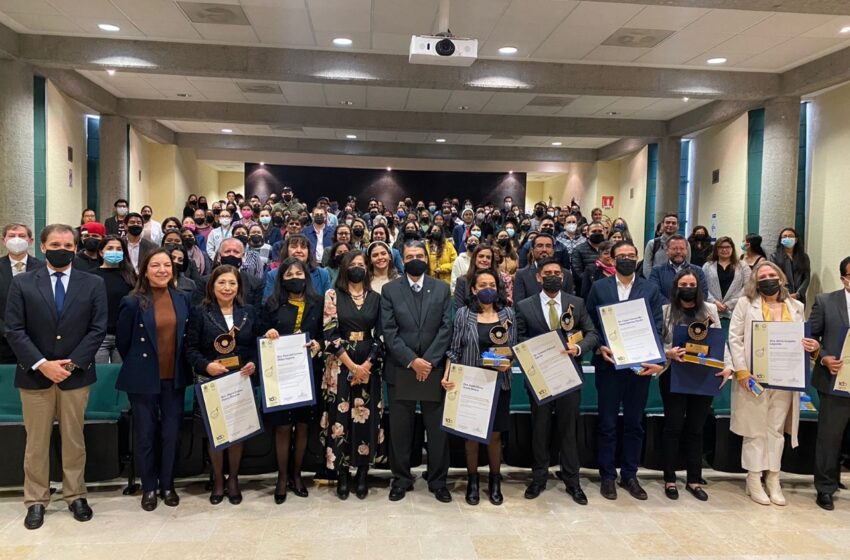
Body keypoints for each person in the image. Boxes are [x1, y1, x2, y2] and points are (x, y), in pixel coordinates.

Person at [5, 224, 107, 530]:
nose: (61, 248)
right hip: (35, 376)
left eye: (67, 244)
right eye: (55, 244)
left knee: (74, 440)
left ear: (75, 247)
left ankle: (75, 495)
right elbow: (14, 329)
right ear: (43, 247)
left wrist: (73, 363)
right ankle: (36, 500)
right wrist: (41, 363)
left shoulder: (92, 283)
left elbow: (97, 328)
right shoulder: (22, 283)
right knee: (36, 442)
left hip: (75, 376)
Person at [728, 261, 818, 506]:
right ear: (756, 281)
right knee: (754, 429)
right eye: (762, 275)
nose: (768, 278)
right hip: (754, 378)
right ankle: (754, 478)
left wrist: (812, 347)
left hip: (785, 378)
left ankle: (773, 477)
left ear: (781, 279)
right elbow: (734, 338)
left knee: (776, 430)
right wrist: (742, 371)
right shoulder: (746, 305)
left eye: (772, 275)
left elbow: (804, 338)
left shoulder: (796, 306)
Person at [585, 240, 665, 501]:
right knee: (607, 423)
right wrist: (598, 349)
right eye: (622, 255)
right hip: (609, 366)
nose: (627, 259)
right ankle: (607, 475)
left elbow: (656, 325)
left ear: (637, 258)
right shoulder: (599, 287)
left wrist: (657, 360)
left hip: (639, 368)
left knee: (634, 424)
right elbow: (590, 325)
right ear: (612, 258)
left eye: (631, 255)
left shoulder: (650, 289)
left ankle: (630, 474)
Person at [515, 258, 599, 504]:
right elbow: (518, 337)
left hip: (568, 374)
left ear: (563, 278)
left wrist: (580, 348)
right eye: (547, 272)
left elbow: (592, 333)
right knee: (540, 428)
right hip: (539, 376)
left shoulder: (577, 303)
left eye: (557, 273)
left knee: (568, 429)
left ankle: (572, 480)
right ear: (538, 277)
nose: (553, 276)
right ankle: (538, 478)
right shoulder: (524, 305)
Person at [115, 249, 192, 511]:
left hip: (175, 376)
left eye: (167, 265)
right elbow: (123, 343)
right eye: (155, 265)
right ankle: (148, 486)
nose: (162, 270)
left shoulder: (182, 299)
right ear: (145, 270)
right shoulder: (132, 301)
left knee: (171, 434)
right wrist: (141, 364)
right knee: (146, 434)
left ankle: (167, 484)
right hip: (143, 378)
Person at [381, 240, 453, 502]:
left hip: (433, 370)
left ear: (427, 258)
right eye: (410, 255)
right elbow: (388, 331)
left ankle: (437, 480)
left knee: (436, 430)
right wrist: (413, 361)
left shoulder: (442, 289)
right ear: (403, 259)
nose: (415, 259)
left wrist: (429, 361)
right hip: (401, 368)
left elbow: (447, 328)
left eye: (419, 255)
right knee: (400, 430)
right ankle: (401, 478)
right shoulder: (390, 290)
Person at [185, 265, 260, 504]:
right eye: (222, 283)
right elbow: (191, 349)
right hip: (212, 380)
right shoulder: (199, 312)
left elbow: (255, 345)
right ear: (212, 286)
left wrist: (254, 363)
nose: (227, 288)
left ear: (239, 287)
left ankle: (233, 479)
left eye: (232, 283)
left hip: (240, 379)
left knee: (237, 434)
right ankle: (218, 480)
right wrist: (206, 366)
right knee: (216, 434)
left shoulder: (248, 311)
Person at [443, 269, 516, 505]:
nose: (488, 289)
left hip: (498, 383)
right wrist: (447, 375)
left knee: (495, 437)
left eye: (492, 285)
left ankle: (495, 480)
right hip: (471, 383)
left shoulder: (508, 314)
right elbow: (454, 349)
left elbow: (514, 348)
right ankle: (472, 480)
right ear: (473, 289)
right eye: (482, 285)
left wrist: (509, 362)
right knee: (471, 436)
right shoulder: (464, 315)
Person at [659, 270, 732, 501]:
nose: (688, 286)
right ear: (676, 287)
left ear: (698, 287)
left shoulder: (709, 310)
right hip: (673, 374)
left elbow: (720, 340)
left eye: (691, 283)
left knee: (696, 428)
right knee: (672, 428)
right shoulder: (666, 311)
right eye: (683, 283)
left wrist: (728, 366)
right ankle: (670, 479)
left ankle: (693, 479)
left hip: (703, 375)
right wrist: (667, 352)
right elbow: (658, 342)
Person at [321, 251, 384, 500]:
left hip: (370, 364)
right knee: (341, 418)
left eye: (361, 264)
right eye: (353, 264)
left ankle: (363, 473)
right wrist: (351, 366)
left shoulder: (376, 298)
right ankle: (343, 473)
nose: (357, 268)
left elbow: (381, 334)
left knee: (366, 418)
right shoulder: (332, 295)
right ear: (344, 268)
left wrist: (366, 365)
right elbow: (329, 332)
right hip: (340, 365)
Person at [261, 257, 324, 503]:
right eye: (289, 274)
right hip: (281, 374)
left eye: (299, 273)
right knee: (283, 426)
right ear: (281, 279)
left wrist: (319, 344)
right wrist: (268, 334)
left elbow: (324, 333)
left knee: (304, 425)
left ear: (306, 277)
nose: (294, 277)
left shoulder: (317, 303)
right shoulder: (272, 303)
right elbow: (260, 333)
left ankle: (297, 474)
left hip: (308, 372)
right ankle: (282, 476)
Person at [809, 257, 850, 510]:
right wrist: (823, 357)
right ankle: (825, 487)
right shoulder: (826, 301)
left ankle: (838, 477)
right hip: (835, 380)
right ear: (843, 277)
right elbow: (811, 336)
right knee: (829, 438)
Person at [0, 224, 43, 364]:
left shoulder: (43, 268)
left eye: (22, 236)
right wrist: (8, 332)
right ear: (3, 240)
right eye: (12, 236)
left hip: (36, 342)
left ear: (30, 240)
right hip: (3, 343)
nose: (17, 239)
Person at [92, 236, 136, 363]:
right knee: (100, 376)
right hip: (100, 336)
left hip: (124, 334)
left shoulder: (131, 276)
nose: (115, 251)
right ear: (101, 252)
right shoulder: (91, 276)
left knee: (121, 375)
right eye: (110, 248)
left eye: (118, 249)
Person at [263, 234, 332, 302]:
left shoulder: (323, 274)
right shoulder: (273, 275)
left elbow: (329, 303)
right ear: (286, 250)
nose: (299, 250)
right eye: (294, 247)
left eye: (303, 247)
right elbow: (267, 303)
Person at [702, 236, 751, 331]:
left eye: (728, 247)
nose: (724, 249)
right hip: (711, 311)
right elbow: (702, 287)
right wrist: (713, 301)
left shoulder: (742, 265)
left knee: (733, 339)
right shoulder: (708, 266)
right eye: (721, 247)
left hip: (735, 310)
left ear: (732, 248)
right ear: (716, 249)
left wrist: (731, 303)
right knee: (714, 339)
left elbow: (748, 286)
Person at [513, 233, 575, 304]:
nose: (544, 249)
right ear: (532, 250)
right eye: (540, 246)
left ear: (553, 250)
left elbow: (570, 302)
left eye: (548, 246)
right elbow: (519, 305)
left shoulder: (566, 274)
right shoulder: (522, 274)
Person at [648, 234, 708, 303]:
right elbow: (655, 294)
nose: (678, 252)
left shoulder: (698, 271)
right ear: (667, 251)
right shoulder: (657, 271)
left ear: (687, 251)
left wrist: (688, 307)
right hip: (666, 311)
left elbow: (703, 294)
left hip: (692, 312)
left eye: (682, 249)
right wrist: (673, 308)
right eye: (674, 249)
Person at [771, 227, 811, 304]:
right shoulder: (774, 257)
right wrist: (785, 293)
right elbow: (775, 277)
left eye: (790, 236)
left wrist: (798, 294)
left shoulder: (804, 257)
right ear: (781, 240)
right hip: (782, 296)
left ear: (796, 240)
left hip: (799, 297)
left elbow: (807, 277)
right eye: (785, 236)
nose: (787, 238)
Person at [643, 213, 690, 278]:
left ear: (678, 226)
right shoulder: (652, 244)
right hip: (657, 282)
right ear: (662, 225)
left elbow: (687, 265)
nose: (670, 225)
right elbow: (647, 267)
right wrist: (653, 282)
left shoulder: (685, 243)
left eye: (673, 223)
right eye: (667, 222)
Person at [571, 221, 607, 292]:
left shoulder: (609, 249)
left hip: (607, 287)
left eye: (600, 231)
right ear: (587, 234)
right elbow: (577, 273)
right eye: (594, 231)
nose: (597, 233)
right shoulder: (578, 250)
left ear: (604, 233)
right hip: (587, 289)